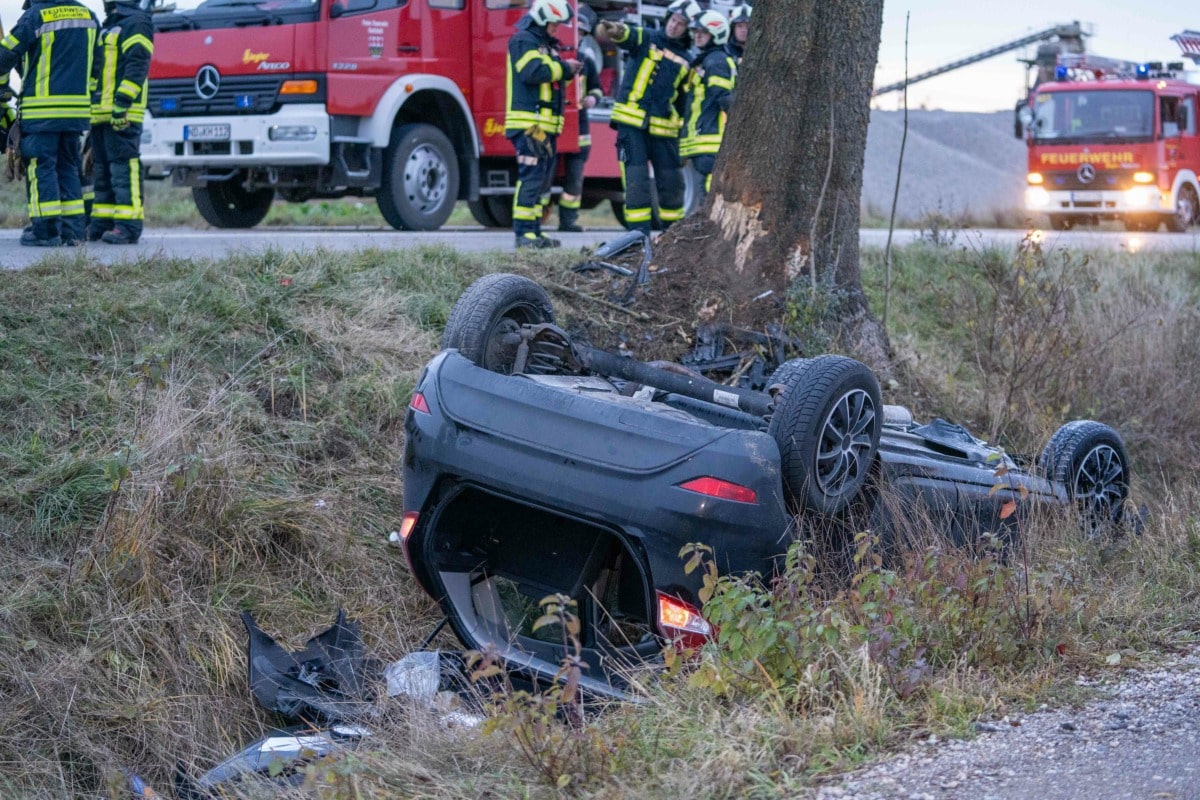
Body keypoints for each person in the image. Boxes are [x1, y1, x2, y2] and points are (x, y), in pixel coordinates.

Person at [0, 0, 99, 247]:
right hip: (76, 111)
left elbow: (6, 53)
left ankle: (45, 231)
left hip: (42, 112)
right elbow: (97, 65)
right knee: (69, 167)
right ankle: (73, 231)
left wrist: (2, 87)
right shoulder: (88, 16)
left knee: (41, 167)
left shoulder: (35, 16)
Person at [594, 0, 697, 234]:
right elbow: (627, 35)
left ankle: (672, 234)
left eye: (681, 24)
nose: (674, 26)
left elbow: (685, 104)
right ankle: (638, 235)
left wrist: (683, 141)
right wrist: (615, 29)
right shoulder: (647, 37)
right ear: (667, 18)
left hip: (665, 131)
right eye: (673, 20)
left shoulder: (688, 60)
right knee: (636, 180)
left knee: (672, 184)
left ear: (687, 30)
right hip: (629, 127)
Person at [504, 0, 580, 249]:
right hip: (529, 124)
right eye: (554, 23)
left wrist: (567, 71)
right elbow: (532, 72)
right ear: (542, 18)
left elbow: (551, 80)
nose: (557, 28)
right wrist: (564, 68)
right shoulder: (523, 40)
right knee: (532, 177)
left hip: (544, 125)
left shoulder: (545, 45)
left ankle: (534, 232)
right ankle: (523, 234)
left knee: (543, 181)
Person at [88, 0, 154, 244]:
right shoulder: (109, 25)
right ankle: (102, 222)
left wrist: (123, 102)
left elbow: (138, 64)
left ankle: (128, 226)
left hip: (124, 112)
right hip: (100, 112)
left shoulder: (137, 22)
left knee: (123, 169)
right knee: (102, 170)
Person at [556, 3, 602, 233]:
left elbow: (597, 88)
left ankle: (568, 221)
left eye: (583, 33)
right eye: (577, 32)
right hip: (555, 122)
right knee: (545, 175)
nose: (579, 36)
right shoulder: (555, 58)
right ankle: (534, 221)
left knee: (574, 177)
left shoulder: (586, 61)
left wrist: (593, 98)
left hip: (579, 126)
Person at [681, 11, 734, 204]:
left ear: (716, 34)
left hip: (709, 138)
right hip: (703, 137)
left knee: (708, 192)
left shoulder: (715, 61)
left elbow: (723, 97)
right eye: (695, 31)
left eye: (703, 32)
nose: (697, 35)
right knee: (705, 191)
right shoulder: (707, 60)